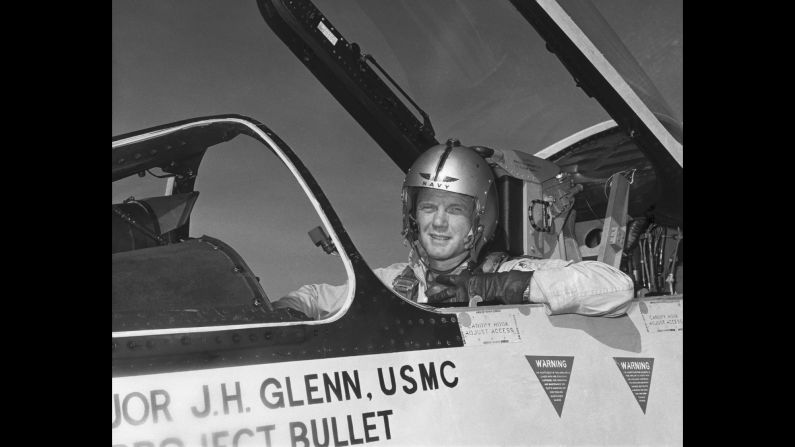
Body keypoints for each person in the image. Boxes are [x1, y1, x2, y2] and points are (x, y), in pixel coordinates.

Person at [273, 140, 634, 320]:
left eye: (455, 210)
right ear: (413, 215)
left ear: (479, 220)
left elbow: (615, 287)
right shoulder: (400, 282)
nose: (439, 222)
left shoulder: (508, 272)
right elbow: (315, 298)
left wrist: (490, 287)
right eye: (428, 207)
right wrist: (285, 311)